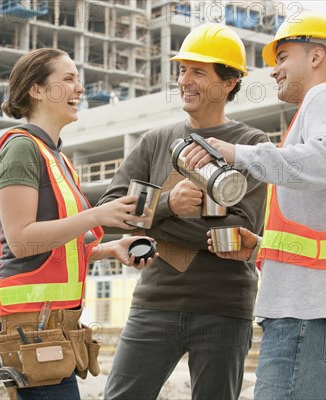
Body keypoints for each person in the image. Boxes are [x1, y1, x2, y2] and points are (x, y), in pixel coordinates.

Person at [185, 12, 326, 399]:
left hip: (310, 314)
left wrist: (239, 154)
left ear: (315, 56)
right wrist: (265, 248)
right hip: (317, 311)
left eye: (282, 57)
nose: (274, 71)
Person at [97, 24, 270, 399]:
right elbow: (108, 212)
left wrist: (152, 222)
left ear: (229, 82)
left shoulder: (251, 145)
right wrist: (168, 204)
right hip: (154, 303)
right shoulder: (156, 141)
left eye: (197, 71)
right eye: (181, 70)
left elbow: (239, 232)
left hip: (223, 308)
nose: (184, 81)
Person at [0, 48, 157, 400]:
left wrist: (109, 249)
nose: (80, 89)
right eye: (69, 79)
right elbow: (22, 242)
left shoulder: (57, 156)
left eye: (79, 80)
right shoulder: (21, 149)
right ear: (37, 90)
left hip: (50, 325)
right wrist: (96, 216)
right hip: (28, 325)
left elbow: (55, 252)